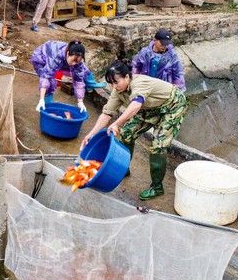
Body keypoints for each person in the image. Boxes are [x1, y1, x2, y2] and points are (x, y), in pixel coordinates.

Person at [80, 61, 187, 200]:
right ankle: (122, 167)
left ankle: (157, 187)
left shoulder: (139, 83)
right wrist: (90, 134)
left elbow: (136, 105)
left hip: (172, 105)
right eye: (111, 83)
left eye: (116, 82)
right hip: (149, 108)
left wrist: (117, 123)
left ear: (127, 77)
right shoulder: (117, 91)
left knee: (158, 146)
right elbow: (106, 114)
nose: (114, 86)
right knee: (126, 134)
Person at [32, 40, 103, 113]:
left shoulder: (77, 60)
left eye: (77, 62)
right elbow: (45, 77)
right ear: (68, 53)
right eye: (73, 60)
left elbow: (78, 81)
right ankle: (47, 105)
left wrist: (80, 102)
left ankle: (90, 84)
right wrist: (41, 99)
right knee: (50, 82)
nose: (74, 63)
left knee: (82, 71)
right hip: (40, 59)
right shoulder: (56, 57)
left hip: (62, 60)